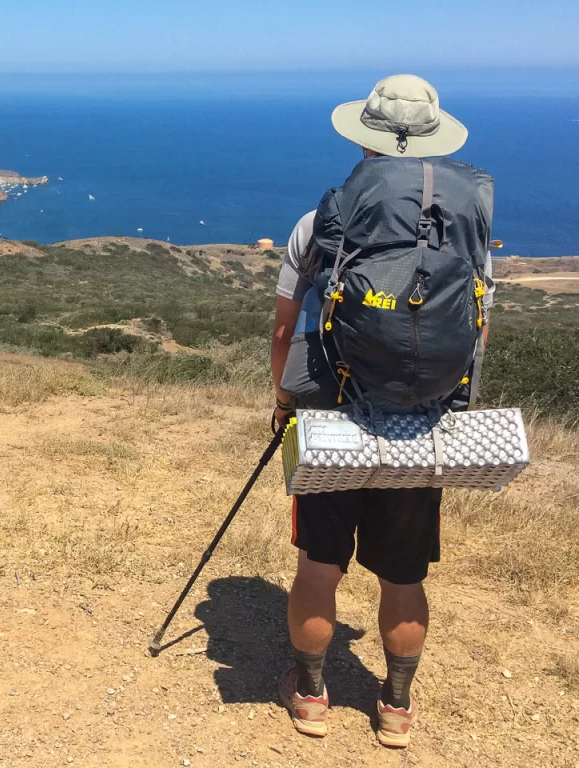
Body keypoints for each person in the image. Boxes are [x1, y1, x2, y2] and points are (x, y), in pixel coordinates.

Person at [270, 75, 496, 748]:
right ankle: (395, 707)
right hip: (421, 424)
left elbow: (285, 328)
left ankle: (310, 694)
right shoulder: (465, 225)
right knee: (403, 574)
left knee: (319, 564)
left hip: (334, 418)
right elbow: (478, 326)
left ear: (364, 139)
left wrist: (282, 401)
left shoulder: (324, 221)